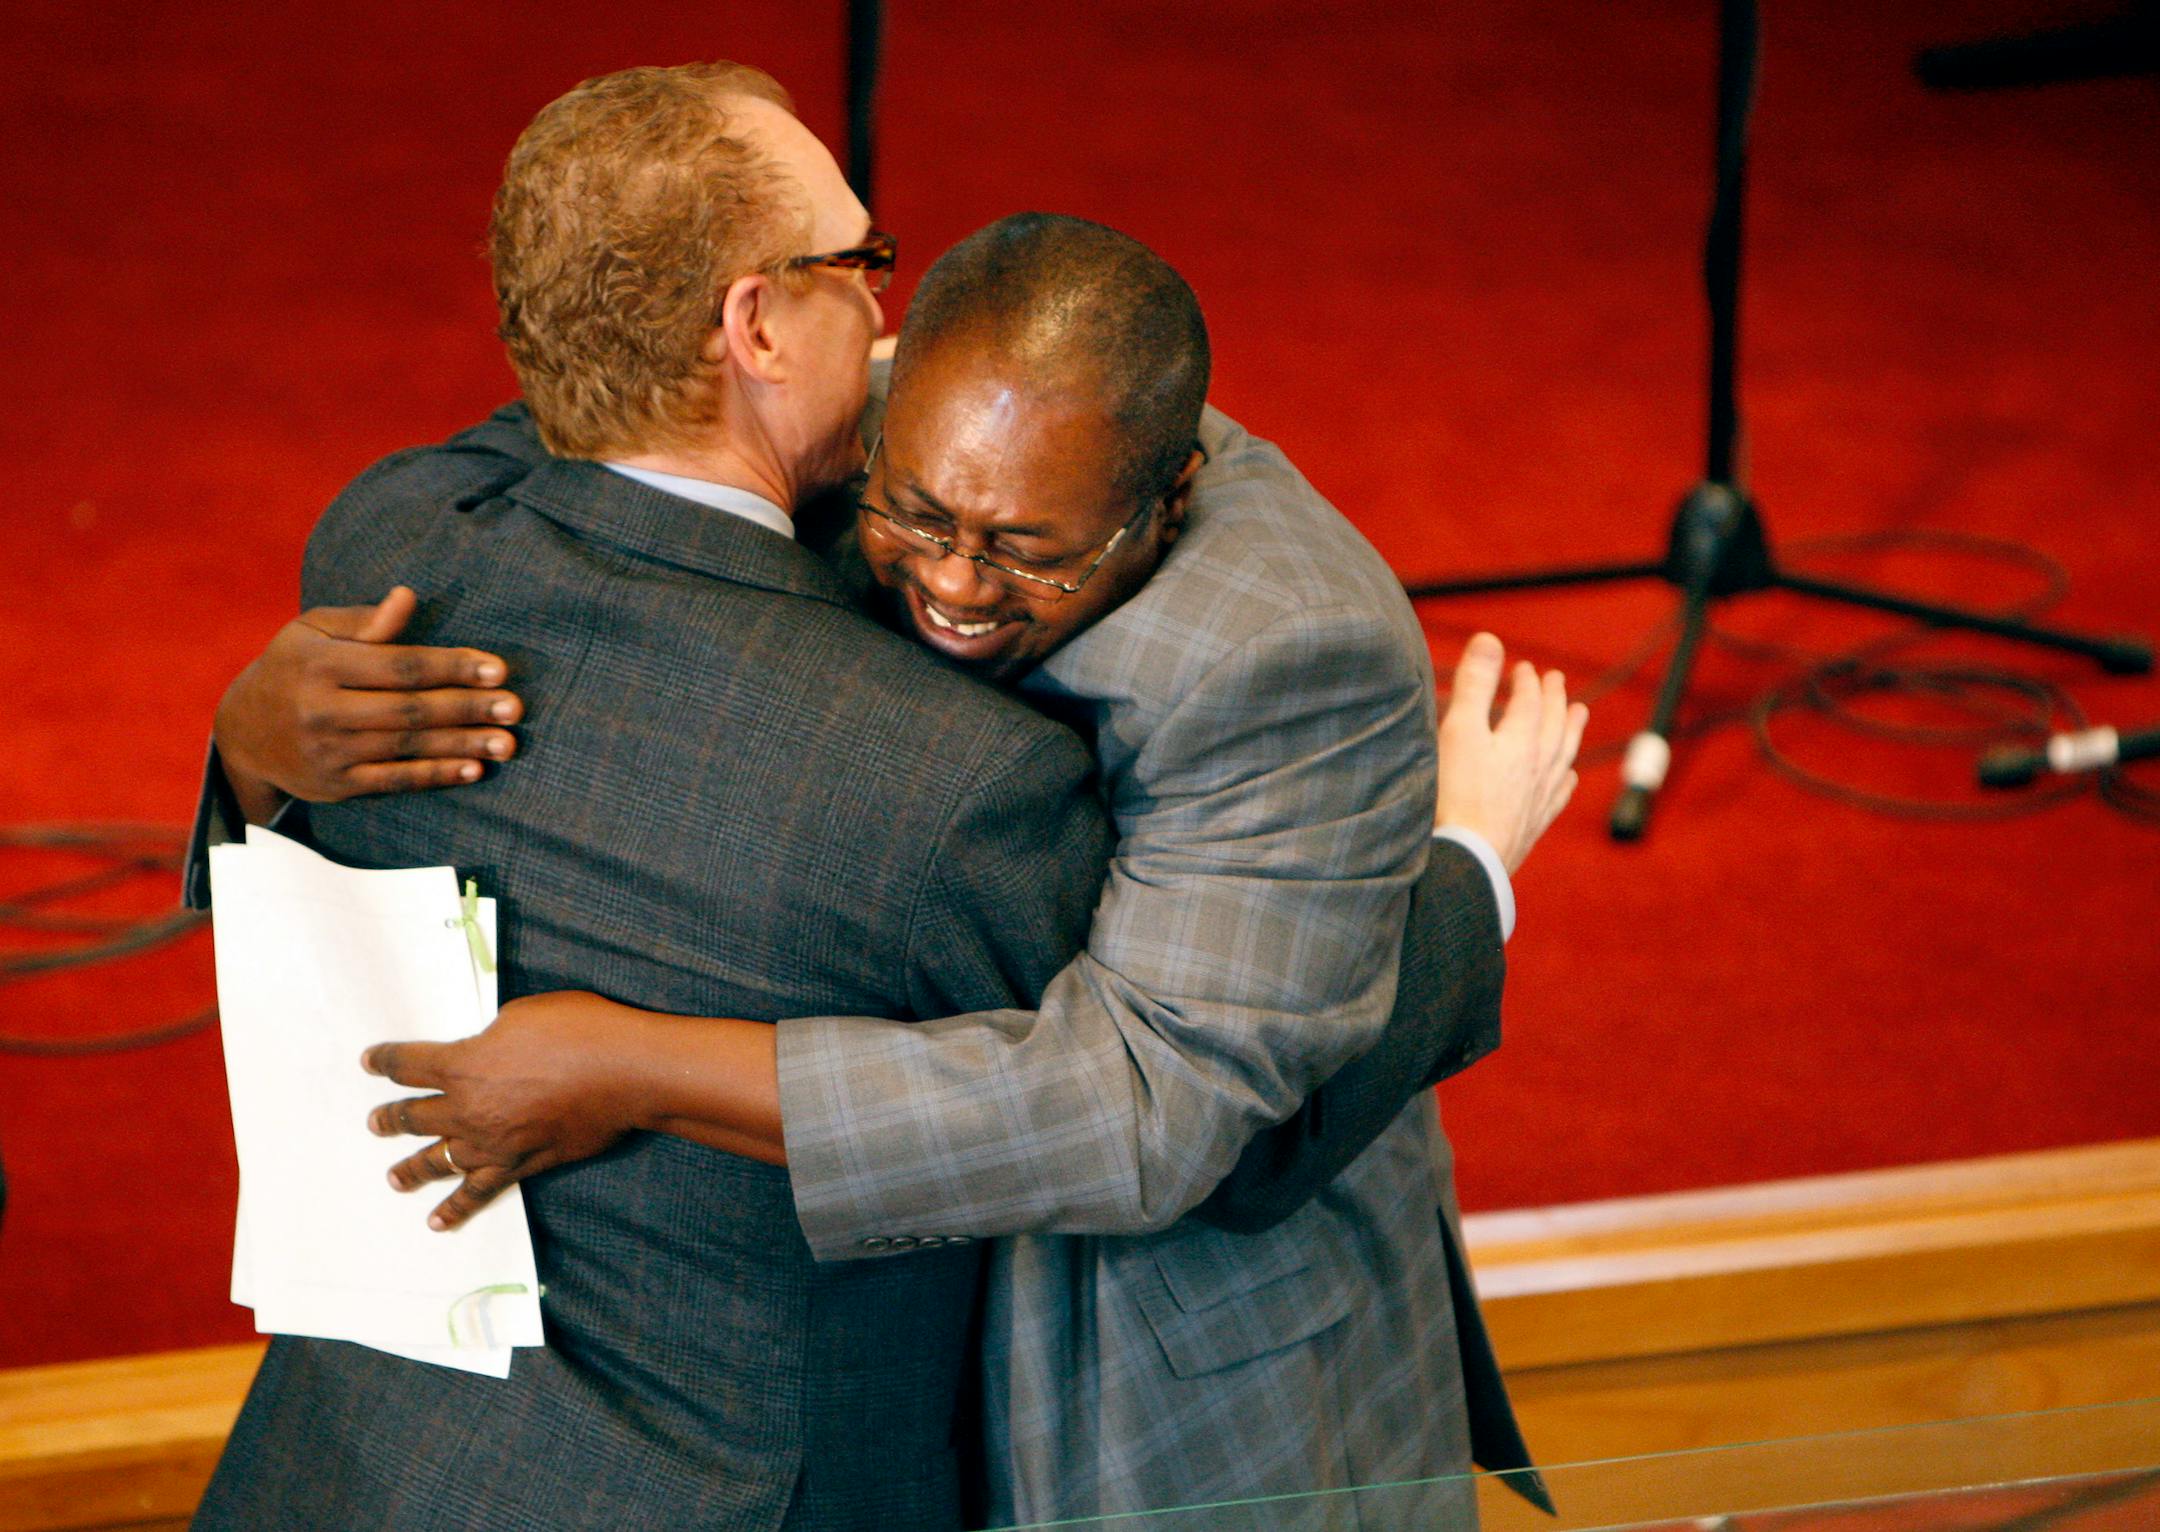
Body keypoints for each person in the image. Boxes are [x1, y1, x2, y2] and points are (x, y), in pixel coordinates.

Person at [208, 142, 1581, 1532]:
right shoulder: (822, 451)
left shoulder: (1278, 655)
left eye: (1028, 550)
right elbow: (595, 439)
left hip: (1160, 1394)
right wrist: (249, 748)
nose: (952, 586)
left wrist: (1462, 876)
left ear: (1162, 505)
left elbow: (1178, 1114)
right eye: (912, 513)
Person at [186, 62, 1115, 1531]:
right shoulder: (957, 787)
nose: (887, 316)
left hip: (351, 1468)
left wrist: (237, 759)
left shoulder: (388, 544)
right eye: (862, 265)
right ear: (757, 326)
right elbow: (1161, 1117)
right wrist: (1463, 862)